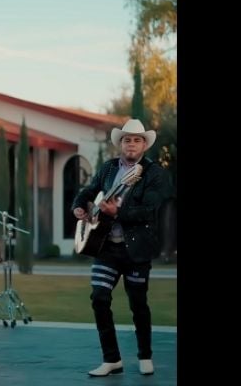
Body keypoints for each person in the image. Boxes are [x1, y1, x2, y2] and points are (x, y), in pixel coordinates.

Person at [71, 119, 172, 377]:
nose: (131, 144)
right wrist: (79, 206)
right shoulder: (108, 169)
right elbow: (89, 191)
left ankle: (145, 355)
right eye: (127, 140)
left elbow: (150, 210)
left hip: (136, 250)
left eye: (137, 140)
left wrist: (118, 212)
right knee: (99, 298)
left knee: (138, 304)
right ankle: (112, 359)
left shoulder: (154, 174)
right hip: (106, 247)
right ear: (121, 144)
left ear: (144, 145)